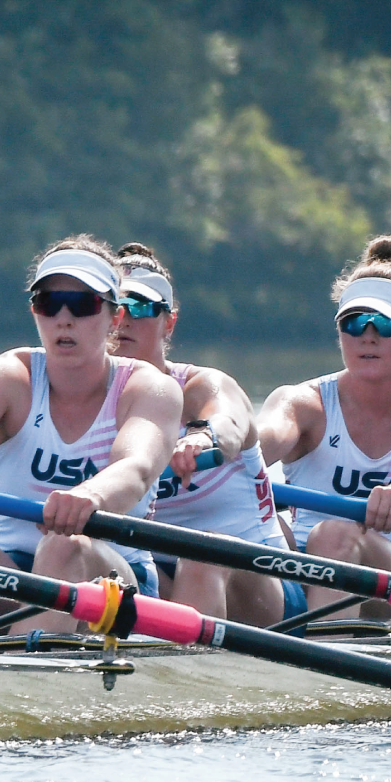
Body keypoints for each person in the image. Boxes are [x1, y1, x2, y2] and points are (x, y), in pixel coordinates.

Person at [0, 236, 183, 631]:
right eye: (49, 304)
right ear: (35, 311)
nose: (64, 319)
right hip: (14, 577)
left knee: (63, 544)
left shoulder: (149, 388)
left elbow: (137, 467)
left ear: (115, 317)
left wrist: (91, 495)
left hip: (118, 584)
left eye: (83, 304)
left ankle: (21, 673)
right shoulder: (4, 376)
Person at [254, 235, 391, 617]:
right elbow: (256, 446)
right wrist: (207, 445)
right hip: (304, 568)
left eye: (386, 324)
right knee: (248, 524)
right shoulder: (301, 402)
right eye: (354, 322)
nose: (368, 336)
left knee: (335, 533)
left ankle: (324, 659)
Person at [106, 243, 301, 626]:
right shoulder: (86, 400)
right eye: (116, 307)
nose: (125, 320)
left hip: (257, 577)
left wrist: (201, 437)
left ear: (169, 322)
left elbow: (227, 422)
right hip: (154, 572)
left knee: (200, 556)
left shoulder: (203, 385)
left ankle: (177, 677)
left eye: (143, 308)